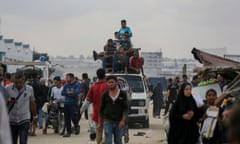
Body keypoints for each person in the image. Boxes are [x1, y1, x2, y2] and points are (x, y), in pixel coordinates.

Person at [6, 71, 38, 144]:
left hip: (24, 118)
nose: (18, 84)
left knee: (23, 141)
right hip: (11, 119)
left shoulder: (29, 89)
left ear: (24, 81)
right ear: (13, 81)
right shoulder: (8, 88)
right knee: (12, 141)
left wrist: (35, 116)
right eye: (16, 82)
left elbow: (32, 102)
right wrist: (8, 100)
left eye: (20, 82)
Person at [80, 68, 108, 144]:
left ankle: (99, 142)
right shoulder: (108, 86)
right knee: (108, 132)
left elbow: (87, 100)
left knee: (98, 132)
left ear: (97, 76)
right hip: (107, 113)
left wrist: (82, 110)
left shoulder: (93, 86)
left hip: (97, 113)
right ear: (104, 75)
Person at [98, 75, 128, 144]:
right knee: (108, 140)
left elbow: (125, 109)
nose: (111, 84)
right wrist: (99, 123)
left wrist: (123, 121)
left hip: (119, 122)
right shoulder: (105, 94)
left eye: (112, 82)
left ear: (116, 83)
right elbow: (101, 109)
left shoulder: (122, 94)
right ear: (107, 84)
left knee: (118, 140)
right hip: (108, 121)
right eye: (109, 82)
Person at [61, 73, 81, 137]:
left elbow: (76, 94)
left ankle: (76, 125)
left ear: (72, 78)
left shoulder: (77, 84)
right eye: (66, 77)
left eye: (67, 77)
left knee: (73, 117)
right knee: (67, 118)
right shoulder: (66, 85)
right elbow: (62, 93)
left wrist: (68, 93)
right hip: (66, 103)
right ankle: (68, 132)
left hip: (73, 103)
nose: (66, 79)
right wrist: (70, 93)